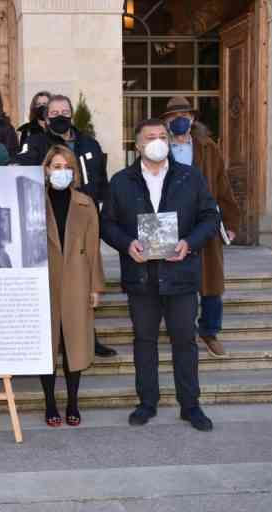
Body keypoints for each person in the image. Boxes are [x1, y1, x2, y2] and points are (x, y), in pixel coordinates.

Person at [100, 118, 219, 432]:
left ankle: (190, 406)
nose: (157, 141)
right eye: (150, 137)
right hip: (141, 275)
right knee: (144, 341)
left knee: (184, 341)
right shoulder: (121, 181)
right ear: (138, 145)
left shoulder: (190, 177)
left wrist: (189, 242)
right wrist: (126, 244)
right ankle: (146, 403)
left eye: (162, 136)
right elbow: (107, 224)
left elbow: (209, 217)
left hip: (180, 273)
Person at [16, 94, 116, 358]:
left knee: (83, 278)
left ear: (71, 114)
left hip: (84, 217)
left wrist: (102, 204)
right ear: (45, 117)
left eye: (64, 111)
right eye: (54, 112)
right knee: (57, 284)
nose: (60, 115)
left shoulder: (89, 143)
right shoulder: (36, 142)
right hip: (52, 216)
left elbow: (101, 178)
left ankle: (88, 338)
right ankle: (54, 339)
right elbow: (21, 170)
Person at [161, 97, 241, 358]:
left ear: (193, 119)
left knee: (211, 281)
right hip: (169, 223)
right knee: (172, 276)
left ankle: (209, 330)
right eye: (173, 117)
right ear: (166, 122)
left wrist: (230, 221)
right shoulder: (158, 147)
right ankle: (178, 328)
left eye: (184, 115)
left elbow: (223, 186)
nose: (179, 120)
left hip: (204, 222)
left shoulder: (208, 147)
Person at [41, 145, 105, 427]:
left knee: (74, 343)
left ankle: (72, 402)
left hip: (78, 280)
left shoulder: (85, 203)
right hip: (44, 281)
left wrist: (95, 287)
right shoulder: (32, 201)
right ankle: (50, 403)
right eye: (56, 166)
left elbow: (93, 248)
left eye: (67, 167)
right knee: (47, 344)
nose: (62, 172)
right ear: (46, 170)